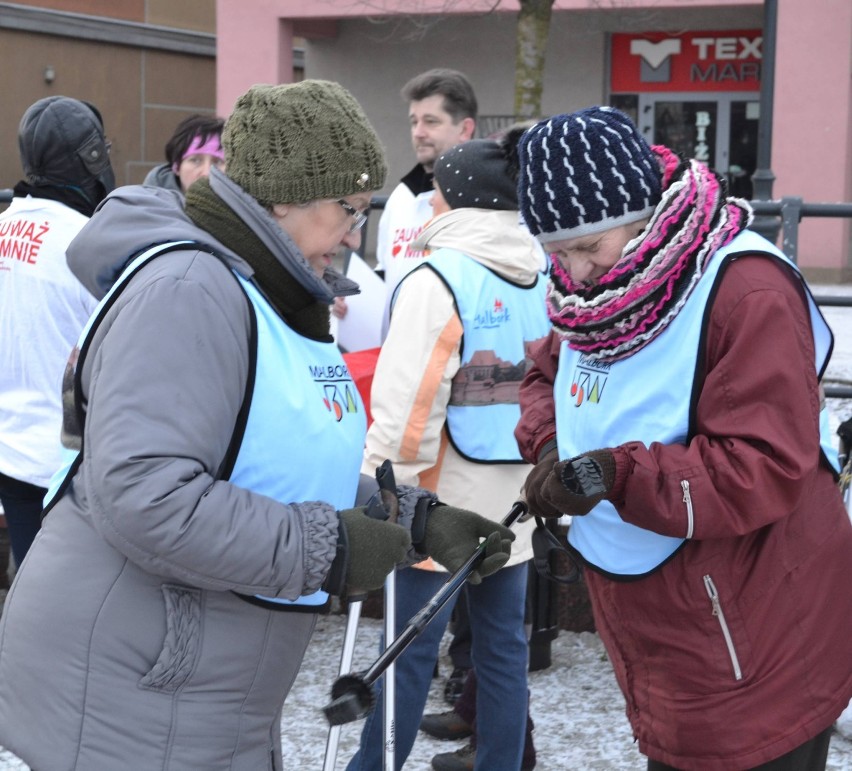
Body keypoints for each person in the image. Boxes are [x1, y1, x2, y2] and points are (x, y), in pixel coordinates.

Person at [0, 80, 515, 771]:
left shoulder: (272, 290)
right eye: (348, 208)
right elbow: (146, 495)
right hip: (135, 680)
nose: (356, 232)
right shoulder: (190, 290)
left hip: (202, 678)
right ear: (282, 200)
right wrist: (329, 548)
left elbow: (276, 454)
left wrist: (410, 516)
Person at [515, 106, 852, 770]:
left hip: (756, 624)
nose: (575, 271)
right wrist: (553, 446)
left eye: (588, 246)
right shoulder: (594, 294)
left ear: (644, 218)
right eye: (556, 251)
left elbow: (762, 464)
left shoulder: (745, 289)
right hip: (669, 618)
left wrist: (618, 474)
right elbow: (546, 371)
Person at [347, 138, 546, 771]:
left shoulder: (437, 276)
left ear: (455, 197)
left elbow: (410, 403)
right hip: (516, 494)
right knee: (502, 651)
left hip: (438, 501)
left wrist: (382, 488)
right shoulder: (542, 271)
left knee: (408, 653)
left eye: (436, 185)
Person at [0, 95, 115, 571]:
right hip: (68, 465)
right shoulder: (91, 244)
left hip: (9, 453)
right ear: (91, 158)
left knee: (33, 591)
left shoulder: (3, 226)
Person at [374, 67, 477, 339]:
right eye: (413, 121)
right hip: (400, 362)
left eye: (431, 121)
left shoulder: (492, 203)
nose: (418, 132)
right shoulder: (400, 199)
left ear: (465, 129)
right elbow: (384, 273)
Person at [143, 112, 225, 193]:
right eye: (195, 160)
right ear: (177, 167)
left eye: (218, 162)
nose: (207, 173)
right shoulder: (143, 204)